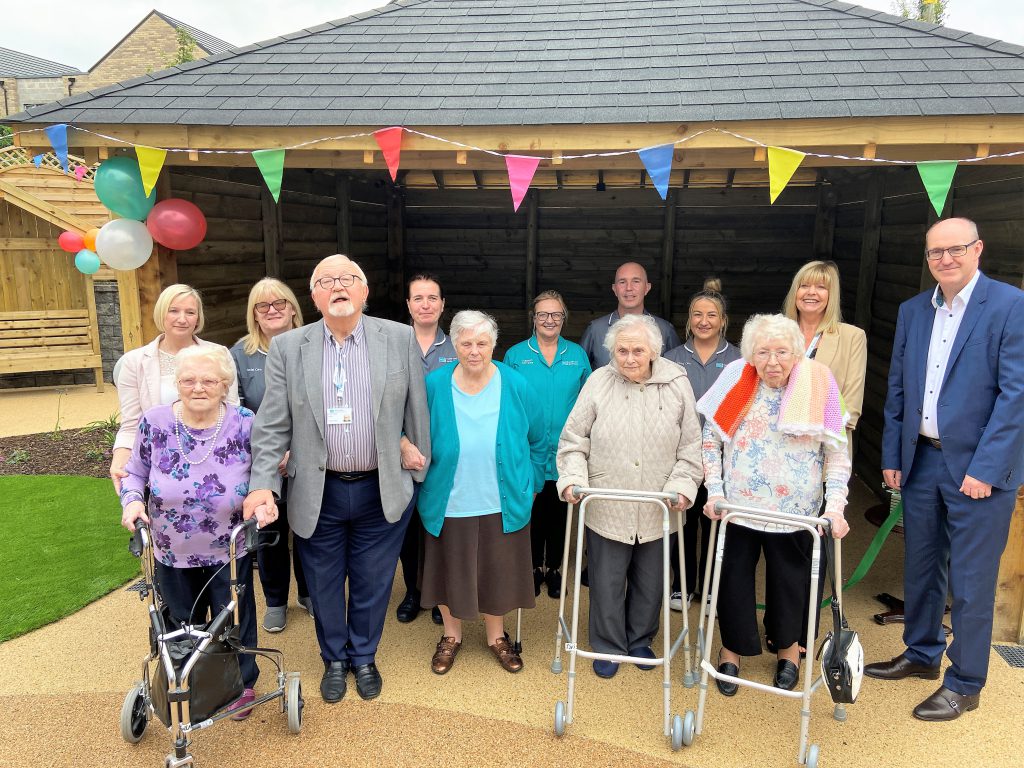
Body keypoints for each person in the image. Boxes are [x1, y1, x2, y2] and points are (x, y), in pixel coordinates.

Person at [242, 254, 431, 704]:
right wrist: (262, 482)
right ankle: (335, 660)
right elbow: (271, 424)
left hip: (379, 487)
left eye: (348, 278)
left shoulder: (399, 338)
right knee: (324, 583)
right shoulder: (290, 347)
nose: (338, 286)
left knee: (372, 580)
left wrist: (416, 462)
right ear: (314, 297)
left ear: (364, 292)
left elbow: (416, 409)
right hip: (317, 491)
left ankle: (364, 656)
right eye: (326, 281)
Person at [869, 217, 1024, 721]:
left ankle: (966, 682)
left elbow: (1016, 397)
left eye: (955, 249)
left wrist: (986, 467)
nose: (945, 260)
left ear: (978, 249)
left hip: (977, 470)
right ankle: (921, 654)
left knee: (972, 581)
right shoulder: (914, 310)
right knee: (921, 565)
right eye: (935, 252)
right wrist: (893, 455)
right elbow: (897, 389)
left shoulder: (1009, 306)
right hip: (920, 462)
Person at [697, 314, 851, 696]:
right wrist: (714, 491)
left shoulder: (820, 381)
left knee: (791, 585)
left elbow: (837, 452)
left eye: (782, 351)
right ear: (751, 353)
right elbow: (709, 441)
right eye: (763, 352)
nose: (772, 361)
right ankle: (731, 650)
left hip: (796, 513)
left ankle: (789, 653)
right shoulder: (736, 376)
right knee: (732, 581)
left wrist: (836, 506)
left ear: (796, 351)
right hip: (738, 508)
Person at [119, 345, 273, 720]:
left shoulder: (244, 422)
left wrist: (265, 496)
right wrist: (132, 502)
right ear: (178, 384)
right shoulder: (154, 422)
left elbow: (265, 472)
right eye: (189, 380)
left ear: (224, 385)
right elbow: (135, 472)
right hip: (172, 547)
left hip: (229, 546)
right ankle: (185, 682)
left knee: (233, 619)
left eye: (209, 381)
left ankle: (240, 685)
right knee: (178, 622)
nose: (198, 387)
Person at [557, 314, 702, 679]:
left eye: (638, 350)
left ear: (653, 351)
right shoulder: (598, 381)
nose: (630, 357)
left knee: (652, 579)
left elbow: (691, 446)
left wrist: (683, 487)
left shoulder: (675, 382)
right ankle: (607, 644)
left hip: (659, 501)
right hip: (607, 499)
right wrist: (573, 479)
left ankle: (640, 638)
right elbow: (574, 440)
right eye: (622, 350)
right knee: (606, 577)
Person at [419, 311, 546, 675]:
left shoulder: (516, 383)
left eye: (482, 343)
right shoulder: (435, 384)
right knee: (448, 570)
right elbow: (413, 431)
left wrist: (532, 484)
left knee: (498, 571)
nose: (474, 351)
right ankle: (451, 635)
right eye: (466, 343)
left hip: (501, 497)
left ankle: (496, 636)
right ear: (455, 344)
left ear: (494, 344)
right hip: (450, 495)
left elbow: (539, 440)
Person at [230, 278, 312, 633]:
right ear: (254, 315)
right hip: (265, 459)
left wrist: (295, 446)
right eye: (263, 306)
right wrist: (269, 450)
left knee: (310, 527)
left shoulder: (314, 345)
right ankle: (276, 600)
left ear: (293, 308)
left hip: (309, 453)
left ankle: (309, 594)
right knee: (269, 530)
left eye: (279, 303)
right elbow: (236, 411)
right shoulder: (240, 354)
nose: (273, 310)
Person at [504, 290, 591, 600]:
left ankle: (554, 569)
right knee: (531, 513)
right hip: (527, 451)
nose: (549, 320)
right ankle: (530, 569)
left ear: (563, 318)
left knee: (558, 515)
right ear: (534, 317)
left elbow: (587, 403)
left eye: (556, 314)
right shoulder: (516, 355)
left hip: (565, 452)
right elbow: (507, 404)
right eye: (543, 314)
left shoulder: (577, 355)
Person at [111, 284, 238, 491]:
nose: (182, 318)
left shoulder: (220, 354)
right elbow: (131, 423)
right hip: (161, 465)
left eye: (190, 312)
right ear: (162, 313)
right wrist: (120, 460)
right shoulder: (134, 362)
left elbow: (232, 414)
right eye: (174, 311)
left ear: (198, 318)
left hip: (213, 460)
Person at [663, 280, 741, 611]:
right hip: (680, 457)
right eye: (697, 314)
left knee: (715, 522)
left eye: (712, 315)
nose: (704, 321)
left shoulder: (740, 360)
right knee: (682, 521)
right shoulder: (671, 358)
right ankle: (682, 585)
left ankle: (711, 587)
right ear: (689, 319)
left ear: (723, 320)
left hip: (722, 459)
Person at [396, 274, 457, 625]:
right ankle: (414, 591)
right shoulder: (394, 346)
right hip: (403, 455)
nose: (425, 305)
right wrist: (402, 442)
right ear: (408, 305)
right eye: (418, 298)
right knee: (407, 531)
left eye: (432, 298)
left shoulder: (456, 349)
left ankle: (439, 595)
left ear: (443, 304)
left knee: (442, 528)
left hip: (445, 457)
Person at [782, 260, 867, 441]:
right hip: (776, 439)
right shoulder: (776, 333)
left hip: (825, 442)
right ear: (795, 292)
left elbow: (851, 406)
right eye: (804, 286)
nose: (811, 292)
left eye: (821, 287)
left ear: (831, 295)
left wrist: (809, 432)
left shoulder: (852, 337)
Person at [579, 262, 681, 369]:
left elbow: (676, 373)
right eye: (622, 282)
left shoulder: (665, 330)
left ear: (647, 287)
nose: (629, 288)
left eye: (636, 281)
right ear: (614, 289)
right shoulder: (595, 329)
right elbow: (578, 373)